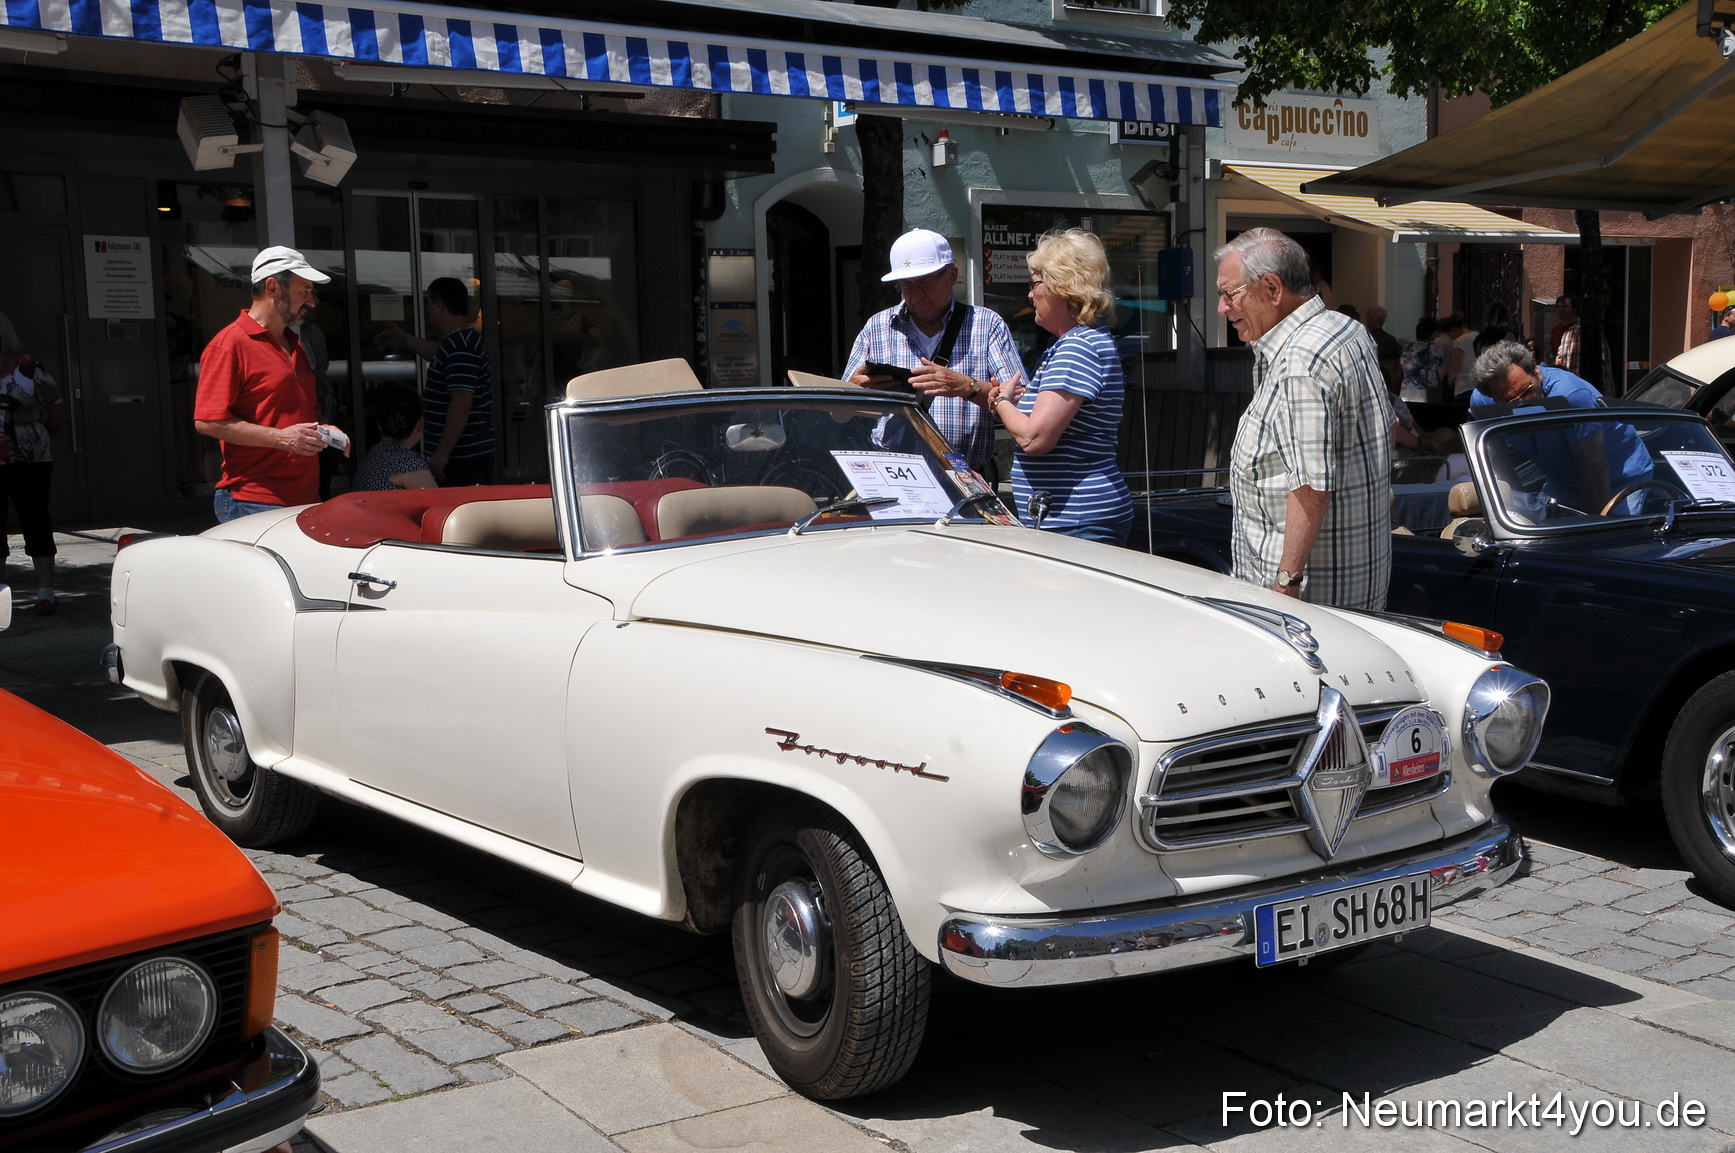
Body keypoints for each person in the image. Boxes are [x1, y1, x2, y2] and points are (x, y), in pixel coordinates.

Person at [1216, 227, 1392, 610]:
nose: (1222, 308)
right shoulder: (1346, 329)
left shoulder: (1301, 360)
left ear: (1273, 288)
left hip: (1306, 604)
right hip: (1352, 582)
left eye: (1229, 294)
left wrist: (1285, 586)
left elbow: (1312, 486)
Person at [987, 229, 1132, 543]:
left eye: (1035, 282)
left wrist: (1001, 402)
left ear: (1062, 286)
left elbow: (1034, 437)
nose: (1029, 294)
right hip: (1072, 515)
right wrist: (1019, 401)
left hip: (1075, 517)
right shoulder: (1078, 342)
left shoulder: (1077, 347)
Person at [843, 228, 1022, 479]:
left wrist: (966, 386)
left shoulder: (986, 325)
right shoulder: (877, 327)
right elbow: (839, 411)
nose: (916, 295)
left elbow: (1021, 402)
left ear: (952, 275)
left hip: (965, 476)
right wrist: (854, 391)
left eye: (925, 282)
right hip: (893, 476)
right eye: (906, 285)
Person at [194, 247, 348, 523]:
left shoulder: (295, 345)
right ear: (273, 287)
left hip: (302, 498)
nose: (312, 302)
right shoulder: (230, 344)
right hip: (254, 501)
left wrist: (323, 431)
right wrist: (281, 439)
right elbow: (208, 422)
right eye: (304, 290)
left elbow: (292, 417)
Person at [1469, 339, 1649, 515]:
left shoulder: (1571, 397)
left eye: (1527, 390)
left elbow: (1594, 467)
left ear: (1535, 367)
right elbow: (1498, 460)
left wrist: (1595, 526)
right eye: (1510, 401)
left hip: (1618, 478)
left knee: (1613, 539)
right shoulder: (1482, 404)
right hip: (1563, 483)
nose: (1524, 403)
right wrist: (1513, 509)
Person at [380, 277, 494, 486]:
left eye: (429, 304)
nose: (427, 310)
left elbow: (462, 403)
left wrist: (442, 454)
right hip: (462, 456)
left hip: (463, 459)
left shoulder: (461, 346)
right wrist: (405, 340)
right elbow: (440, 354)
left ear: (439, 305)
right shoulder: (458, 342)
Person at [0, 313, 66, 615]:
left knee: (35, 521)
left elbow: (56, 413)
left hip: (29, 460)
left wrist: (33, 439)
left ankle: (45, 592)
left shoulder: (29, 366)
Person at [354, 385, 438, 491]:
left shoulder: (368, 461)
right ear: (420, 424)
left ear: (379, 424)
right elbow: (438, 504)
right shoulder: (410, 465)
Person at [1400, 317, 1446, 402]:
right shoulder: (1435, 349)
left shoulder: (1407, 347)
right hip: (1427, 391)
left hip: (1407, 390)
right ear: (1429, 333)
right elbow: (1441, 374)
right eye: (1435, 331)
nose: (1437, 334)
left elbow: (1404, 367)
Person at [1444, 313, 1478, 397]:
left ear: (1453, 330)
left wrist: (1450, 379)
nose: (1450, 338)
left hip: (1463, 385)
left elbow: (1455, 365)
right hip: (1476, 383)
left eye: (1449, 335)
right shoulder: (1477, 335)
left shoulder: (1459, 342)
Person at [1549, 296, 1578, 361]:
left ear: (1574, 309)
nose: (1561, 310)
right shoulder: (1555, 331)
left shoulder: (1582, 329)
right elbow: (1554, 355)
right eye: (1559, 307)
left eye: (1565, 307)